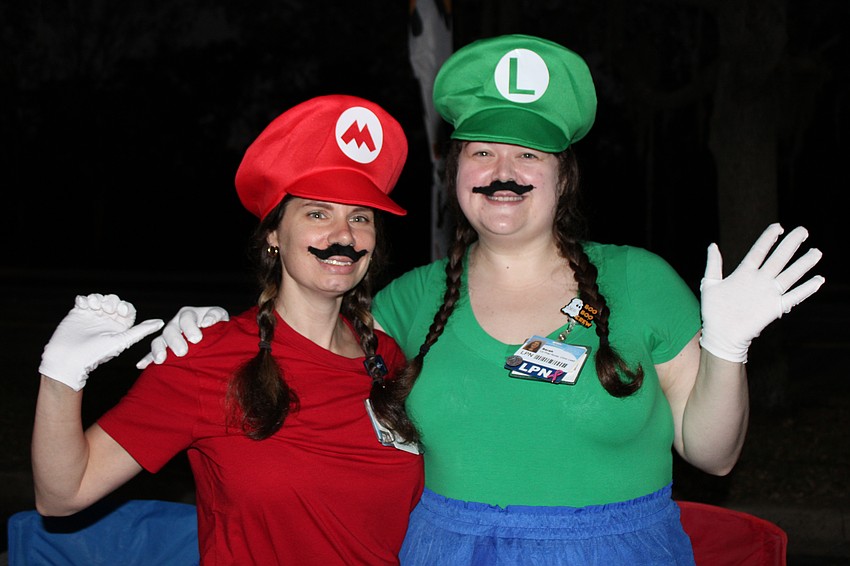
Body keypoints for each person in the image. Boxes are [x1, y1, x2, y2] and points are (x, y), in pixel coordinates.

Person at [144, 35, 825, 564]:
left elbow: (713, 456)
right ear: (454, 174)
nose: (503, 172)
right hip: (446, 550)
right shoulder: (409, 300)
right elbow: (304, 343)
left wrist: (728, 347)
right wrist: (213, 333)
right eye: (482, 152)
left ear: (565, 176)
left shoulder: (639, 281)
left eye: (529, 155)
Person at [32, 94, 425, 565]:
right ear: (275, 235)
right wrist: (60, 376)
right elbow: (62, 495)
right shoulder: (205, 356)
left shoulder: (388, 360)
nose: (343, 236)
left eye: (360, 217)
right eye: (318, 213)